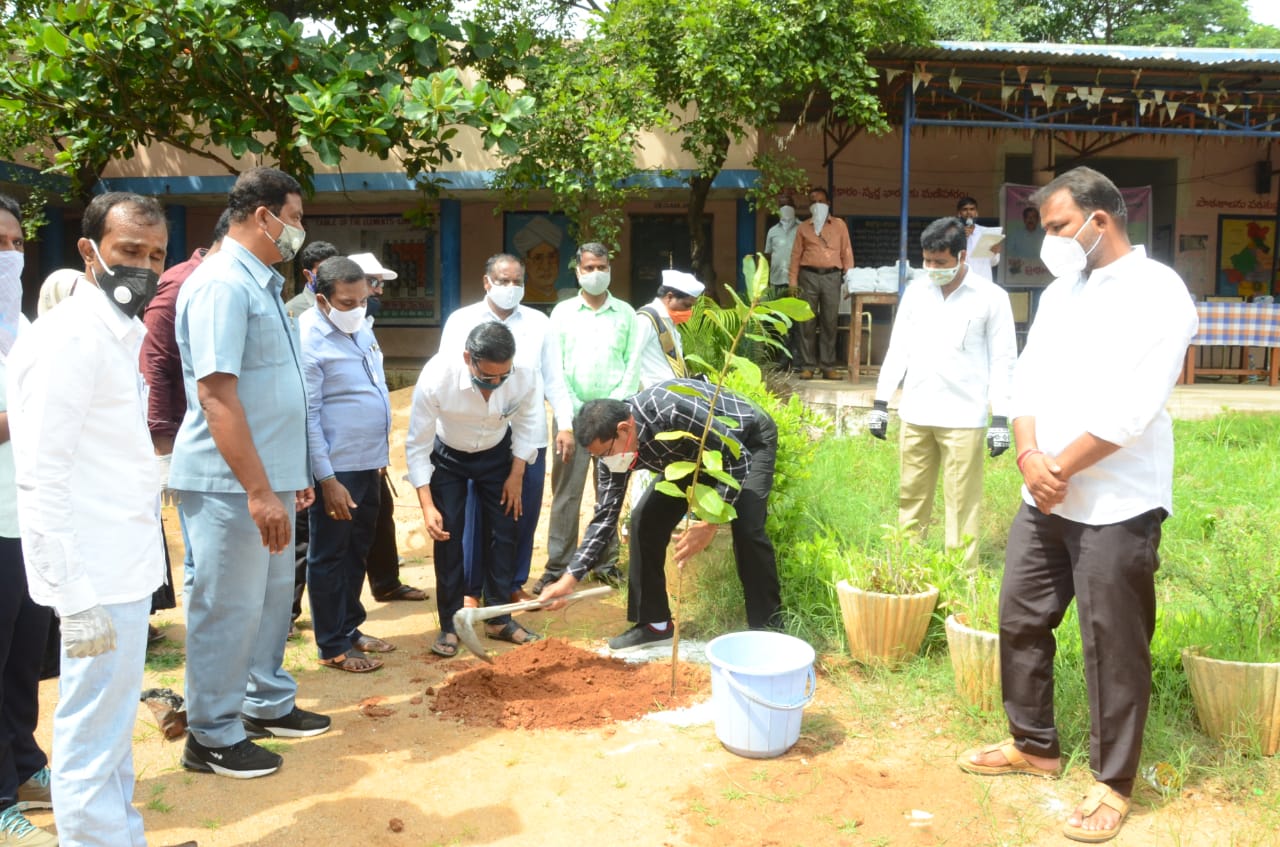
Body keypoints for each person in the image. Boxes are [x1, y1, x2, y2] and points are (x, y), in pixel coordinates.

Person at [958, 167, 1198, 844]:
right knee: (1020, 614)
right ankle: (1034, 743)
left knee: (1112, 642)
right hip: (1047, 493)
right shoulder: (1065, 290)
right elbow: (1027, 373)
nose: (1052, 241)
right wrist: (1033, 457)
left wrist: (1058, 465)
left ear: (1101, 219)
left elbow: (1134, 405)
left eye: (1060, 226)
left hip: (1118, 500)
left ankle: (1113, 780)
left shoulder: (1159, 293)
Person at [8, 192, 168, 847]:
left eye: (156, 256)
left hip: (124, 563)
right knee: (88, 729)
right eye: (129, 251)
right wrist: (73, 597)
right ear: (90, 250)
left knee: (109, 726)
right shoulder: (66, 338)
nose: (143, 267)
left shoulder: (119, 332)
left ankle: (117, 833)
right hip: (94, 575)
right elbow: (39, 474)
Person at [170, 166, 330, 780]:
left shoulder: (258, 282)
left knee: (266, 606)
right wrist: (260, 489)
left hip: (270, 480)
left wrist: (292, 475)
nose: (297, 231)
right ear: (261, 216)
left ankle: (262, 703)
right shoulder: (220, 285)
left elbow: (272, 390)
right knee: (226, 608)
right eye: (293, 218)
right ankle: (210, 733)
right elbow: (216, 396)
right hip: (230, 484)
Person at [539, 379, 783, 649]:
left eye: (606, 453)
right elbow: (605, 517)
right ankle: (654, 624)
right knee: (645, 522)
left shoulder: (671, 409)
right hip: (691, 457)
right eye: (598, 457)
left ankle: (768, 630)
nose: (605, 462)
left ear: (624, 429)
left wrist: (710, 522)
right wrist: (569, 578)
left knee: (748, 527)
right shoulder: (611, 455)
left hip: (745, 440)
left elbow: (737, 458)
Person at [866, 216, 1017, 568]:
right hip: (917, 413)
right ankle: (905, 571)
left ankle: (959, 579)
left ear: (962, 257)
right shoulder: (917, 292)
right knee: (910, 498)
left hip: (963, 418)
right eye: (928, 261)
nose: (932, 269)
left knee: (962, 504)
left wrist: (1001, 417)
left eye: (941, 262)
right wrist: (880, 402)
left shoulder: (991, 298)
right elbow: (898, 349)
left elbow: (1004, 361)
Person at [437, 254, 573, 605]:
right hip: (476, 432)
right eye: (503, 280)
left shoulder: (539, 322)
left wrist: (566, 423)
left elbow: (553, 377)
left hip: (527, 430)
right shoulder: (461, 320)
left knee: (520, 508)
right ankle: (471, 588)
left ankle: (512, 581)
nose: (511, 288)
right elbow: (447, 373)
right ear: (487, 282)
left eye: (517, 281)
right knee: (475, 512)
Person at [406, 322, 543, 658]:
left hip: (498, 454)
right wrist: (427, 505)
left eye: (502, 378)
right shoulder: (437, 376)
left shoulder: (524, 373)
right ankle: (451, 625)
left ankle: (498, 620)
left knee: (505, 529)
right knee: (448, 535)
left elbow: (528, 422)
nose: (493, 386)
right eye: (486, 378)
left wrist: (516, 473)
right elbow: (417, 444)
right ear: (468, 358)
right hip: (448, 456)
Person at [300, 257, 395, 673]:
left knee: (357, 548)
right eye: (347, 301)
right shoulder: (309, 338)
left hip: (368, 462)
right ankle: (332, 644)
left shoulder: (360, 328)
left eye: (363, 299)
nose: (358, 308)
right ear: (322, 299)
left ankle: (351, 626)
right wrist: (327, 479)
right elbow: (309, 414)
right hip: (336, 470)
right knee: (329, 554)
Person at [141, 209, 232, 641]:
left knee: (219, 555)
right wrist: (163, 446)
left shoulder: (228, 282)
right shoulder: (182, 283)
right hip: (189, 437)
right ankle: (207, 647)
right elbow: (155, 362)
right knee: (203, 554)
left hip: (223, 434)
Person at [531, 243, 641, 594]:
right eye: (589, 267)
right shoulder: (561, 314)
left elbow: (631, 366)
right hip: (571, 420)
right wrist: (571, 414)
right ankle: (558, 565)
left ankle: (605, 563)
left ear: (610, 269)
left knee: (609, 493)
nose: (596, 273)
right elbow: (555, 369)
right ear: (577, 271)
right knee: (567, 493)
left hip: (614, 423)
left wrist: (615, 412)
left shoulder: (626, 313)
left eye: (602, 267)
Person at [0, 194, 56, 847]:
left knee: (23, 658)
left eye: (16, 242)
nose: (9, 253)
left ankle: (24, 764)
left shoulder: (24, 326)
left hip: (34, 520)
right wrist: (36, 414)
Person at [348, 251, 428, 604]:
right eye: (372, 282)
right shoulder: (323, 330)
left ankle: (386, 582)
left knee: (381, 512)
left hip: (370, 448)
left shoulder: (366, 328)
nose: (378, 292)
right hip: (339, 454)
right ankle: (291, 610)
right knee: (332, 534)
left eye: (379, 284)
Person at [788, 187, 854, 380]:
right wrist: (792, 282)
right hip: (808, 276)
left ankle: (827, 366)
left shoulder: (840, 225)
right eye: (813, 202)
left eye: (820, 201)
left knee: (829, 322)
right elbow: (795, 256)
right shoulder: (803, 227)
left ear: (828, 204)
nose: (816, 205)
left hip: (832, 277)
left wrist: (849, 281)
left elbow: (847, 254)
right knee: (806, 322)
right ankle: (808, 366)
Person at [635, 269, 702, 389]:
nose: (689, 311)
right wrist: (646, 390)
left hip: (671, 394)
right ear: (669, 297)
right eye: (686, 305)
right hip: (654, 395)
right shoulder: (646, 318)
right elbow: (632, 358)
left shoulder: (669, 322)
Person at [763, 193, 801, 368]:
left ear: (794, 207)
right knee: (781, 322)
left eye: (788, 204)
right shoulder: (772, 231)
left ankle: (797, 359)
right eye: (781, 205)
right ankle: (783, 359)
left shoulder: (802, 228)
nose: (785, 208)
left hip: (797, 282)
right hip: (777, 281)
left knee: (797, 322)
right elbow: (769, 255)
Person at [284, 240, 338, 317]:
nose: (331, 275)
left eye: (334, 269)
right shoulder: (291, 309)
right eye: (323, 271)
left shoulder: (345, 304)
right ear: (308, 275)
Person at [956, 196, 1002, 282]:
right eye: (965, 209)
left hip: (983, 280)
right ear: (959, 214)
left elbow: (993, 263)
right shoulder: (952, 234)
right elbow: (949, 260)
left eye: (972, 209)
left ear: (976, 213)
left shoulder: (986, 232)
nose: (969, 212)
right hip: (962, 282)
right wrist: (962, 238)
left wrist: (995, 252)